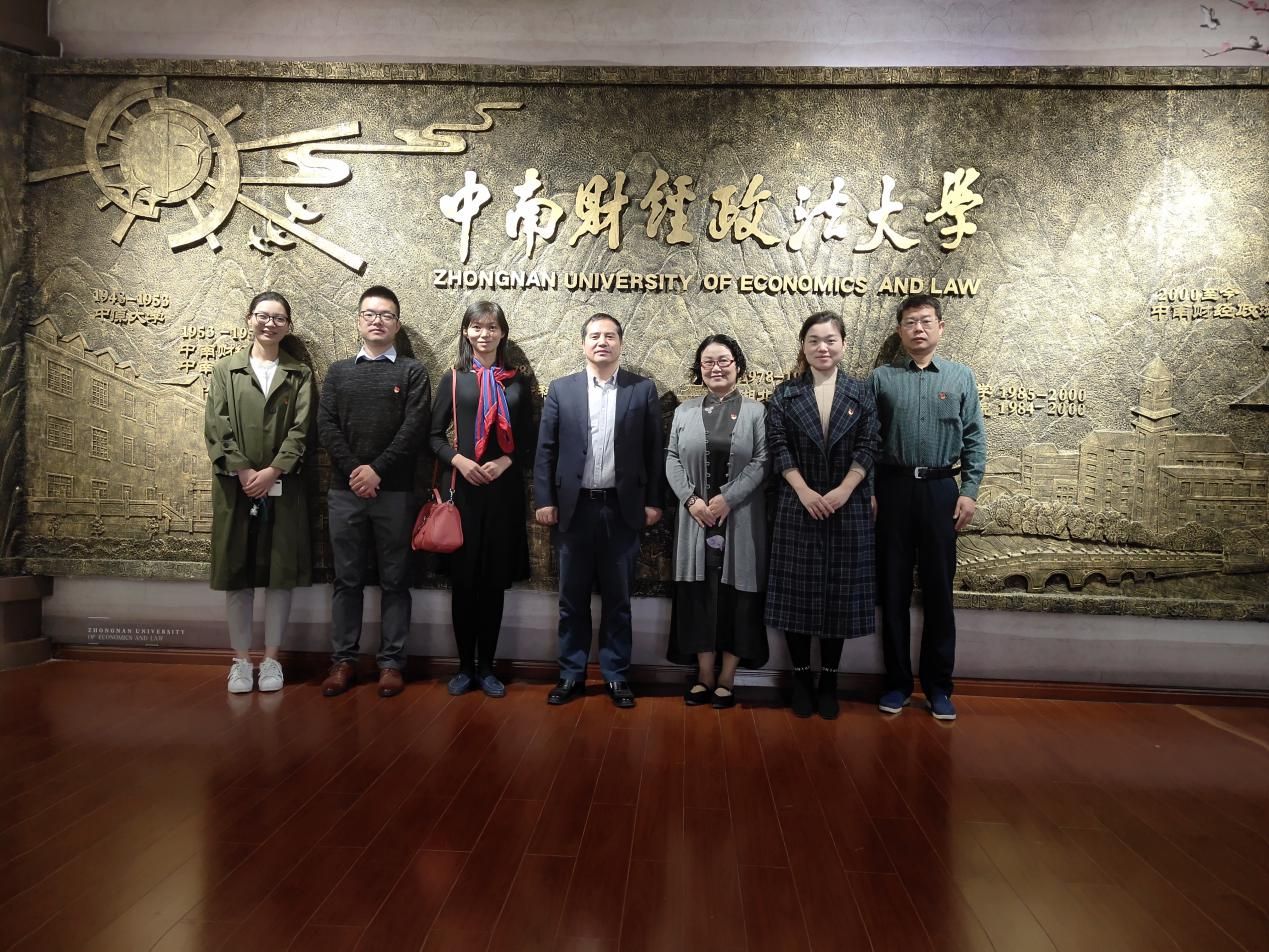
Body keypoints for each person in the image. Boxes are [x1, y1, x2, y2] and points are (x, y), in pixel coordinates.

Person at [533, 313, 664, 708]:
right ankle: (571, 674)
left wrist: (653, 501)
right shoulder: (562, 389)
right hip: (573, 510)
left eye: (609, 336)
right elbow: (546, 449)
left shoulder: (642, 390)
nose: (602, 342)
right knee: (571, 599)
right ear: (583, 343)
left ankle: (616, 675)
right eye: (594, 336)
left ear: (620, 343)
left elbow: (653, 451)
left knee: (618, 599)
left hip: (621, 509)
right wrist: (544, 500)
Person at [870, 294, 986, 721]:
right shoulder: (881, 378)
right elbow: (868, 440)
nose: (917, 329)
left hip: (941, 491)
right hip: (893, 489)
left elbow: (974, 438)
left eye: (925, 321)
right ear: (899, 330)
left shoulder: (960, 376)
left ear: (940, 326)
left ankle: (938, 687)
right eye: (909, 322)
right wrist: (870, 490)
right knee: (893, 591)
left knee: (939, 591)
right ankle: (897, 684)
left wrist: (969, 490)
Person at [765, 311, 880, 719]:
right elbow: (777, 445)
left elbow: (870, 444)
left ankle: (829, 680)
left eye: (830, 340)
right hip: (798, 503)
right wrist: (803, 490)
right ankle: (800, 679)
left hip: (847, 505)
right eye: (814, 340)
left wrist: (845, 489)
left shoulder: (860, 392)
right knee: (796, 593)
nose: (822, 347)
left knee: (839, 594)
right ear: (803, 345)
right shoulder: (785, 394)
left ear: (843, 344)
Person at [318, 286, 430, 698]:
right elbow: (326, 425)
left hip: (395, 491)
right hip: (345, 491)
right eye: (370, 314)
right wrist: (356, 471)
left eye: (386, 315)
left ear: (397, 325)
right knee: (346, 579)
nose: (377, 321)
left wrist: (376, 470)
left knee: (396, 579)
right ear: (358, 321)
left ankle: (391, 663)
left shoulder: (413, 372)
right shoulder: (338, 372)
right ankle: (343, 660)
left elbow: (414, 428)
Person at [205, 291, 314, 694]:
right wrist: (244, 470)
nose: (270, 324)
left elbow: (302, 429)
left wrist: (272, 471)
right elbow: (217, 425)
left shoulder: (299, 374)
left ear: (288, 326)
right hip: (235, 487)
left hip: (284, 485)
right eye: (263, 316)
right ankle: (240, 662)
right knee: (238, 573)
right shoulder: (226, 370)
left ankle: (271, 660)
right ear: (249, 319)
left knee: (280, 574)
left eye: (279, 318)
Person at [428, 301, 534, 698]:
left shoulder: (517, 382)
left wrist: (506, 461)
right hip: (462, 492)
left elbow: (529, 439)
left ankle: (487, 668)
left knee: (492, 584)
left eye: (492, 327)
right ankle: (463, 668)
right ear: (465, 332)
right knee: (463, 583)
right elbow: (432, 436)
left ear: (503, 333)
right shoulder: (454, 379)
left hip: (502, 494)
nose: (484, 334)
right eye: (476, 327)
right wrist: (458, 460)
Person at [665, 334, 769, 708]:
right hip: (695, 519)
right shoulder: (684, 411)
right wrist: (692, 500)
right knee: (699, 595)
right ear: (700, 369)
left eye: (724, 360)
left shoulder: (757, 412)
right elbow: (671, 458)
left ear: (737, 365)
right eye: (708, 362)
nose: (716, 368)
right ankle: (704, 676)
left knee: (737, 597)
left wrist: (729, 498)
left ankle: (727, 678)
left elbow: (763, 460)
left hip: (740, 520)